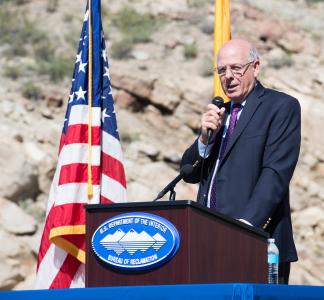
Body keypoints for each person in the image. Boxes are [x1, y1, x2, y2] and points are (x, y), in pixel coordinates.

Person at [181, 38, 301, 284]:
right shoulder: (220, 114)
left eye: (236, 68)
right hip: (208, 244)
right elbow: (188, 172)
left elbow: (275, 174)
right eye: (222, 70)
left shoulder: (280, 107)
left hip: (258, 244)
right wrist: (204, 139)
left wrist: (243, 230)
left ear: (255, 67)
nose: (228, 76)